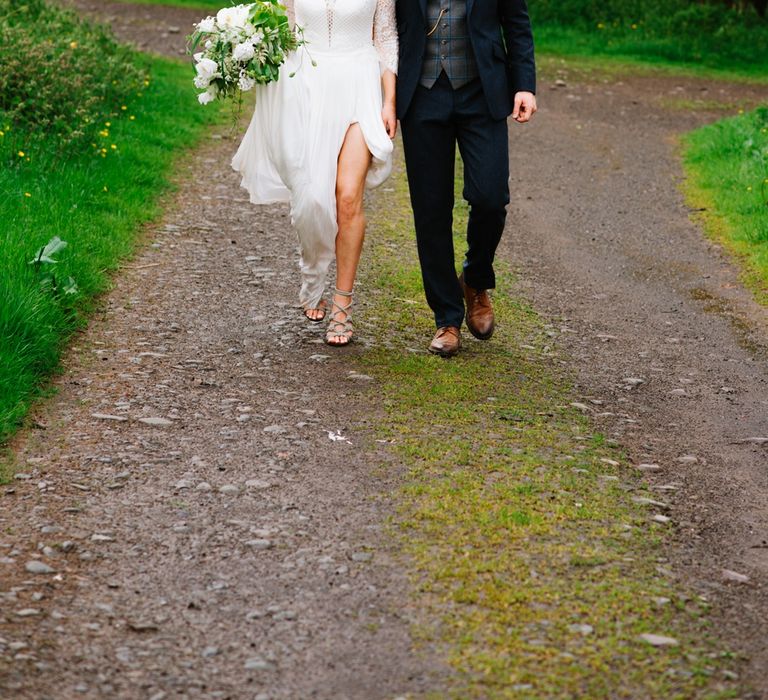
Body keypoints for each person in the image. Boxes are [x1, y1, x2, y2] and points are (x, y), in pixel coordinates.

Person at [232, 0, 398, 346]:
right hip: (305, 88)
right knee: (311, 200)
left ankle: (342, 304)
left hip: (360, 87)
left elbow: (385, 39)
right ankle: (312, 278)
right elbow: (283, 31)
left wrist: (389, 101)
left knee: (348, 197)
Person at [395, 0, 537, 356]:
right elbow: (382, 25)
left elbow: (516, 22)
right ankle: (447, 317)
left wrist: (524, 85)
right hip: (422, 92)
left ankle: (474, 278)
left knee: (491, 197)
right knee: (430, 209)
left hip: (482, 89)